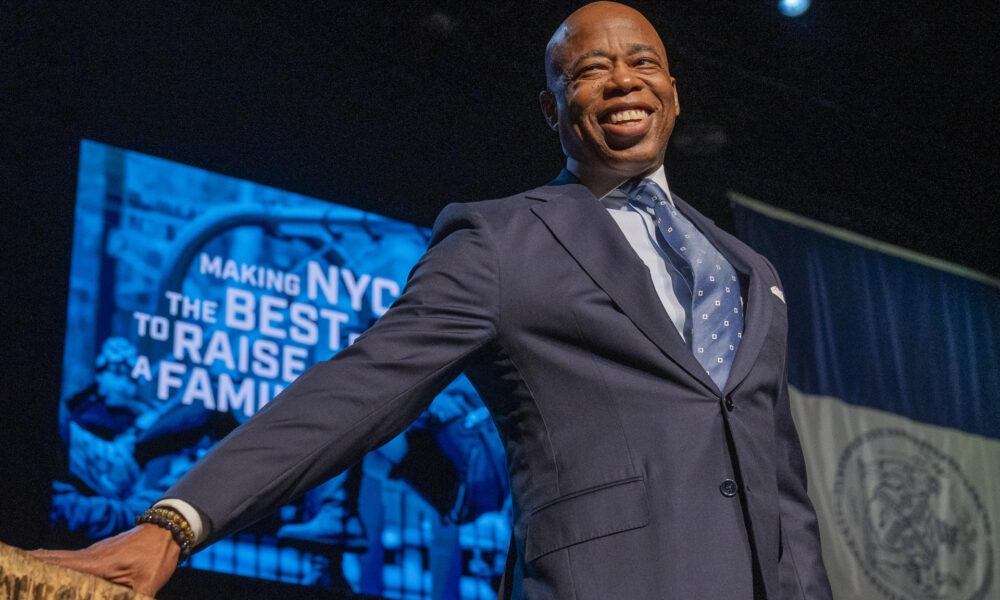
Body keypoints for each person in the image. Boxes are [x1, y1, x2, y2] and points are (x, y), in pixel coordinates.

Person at [32, 3, 832, 598]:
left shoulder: (746, 268)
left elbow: (780, 489)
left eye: (643, 63)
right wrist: (176, 522)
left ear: (673, 92)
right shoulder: (502, 240)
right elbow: (359, 386)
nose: (623, 80)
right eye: (589, 70)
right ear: (554, 109)